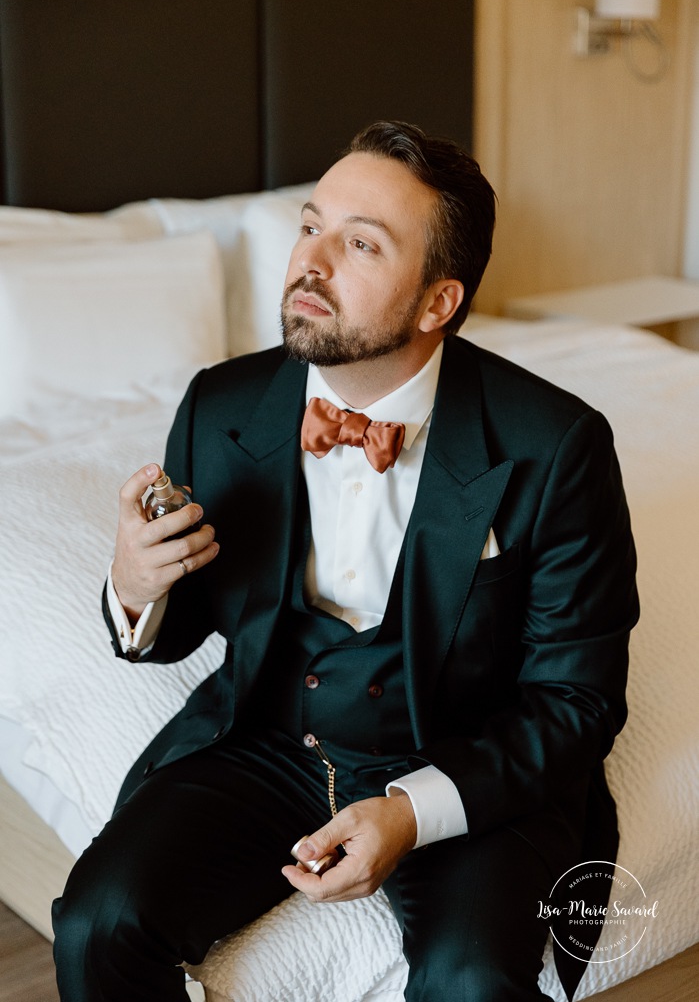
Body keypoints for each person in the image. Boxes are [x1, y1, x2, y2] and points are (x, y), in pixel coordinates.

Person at [52, 121, 639, 1002]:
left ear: (438, 302)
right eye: (308, 226)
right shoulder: (221, 406)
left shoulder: (556, 445)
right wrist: (134, 590)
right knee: (97, 923)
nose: (310, 262)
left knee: (472, 981)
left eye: (360, 243)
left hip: (461, 755)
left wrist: (410, 813)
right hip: (267, 741)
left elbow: (577, 700)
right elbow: (185, 623)